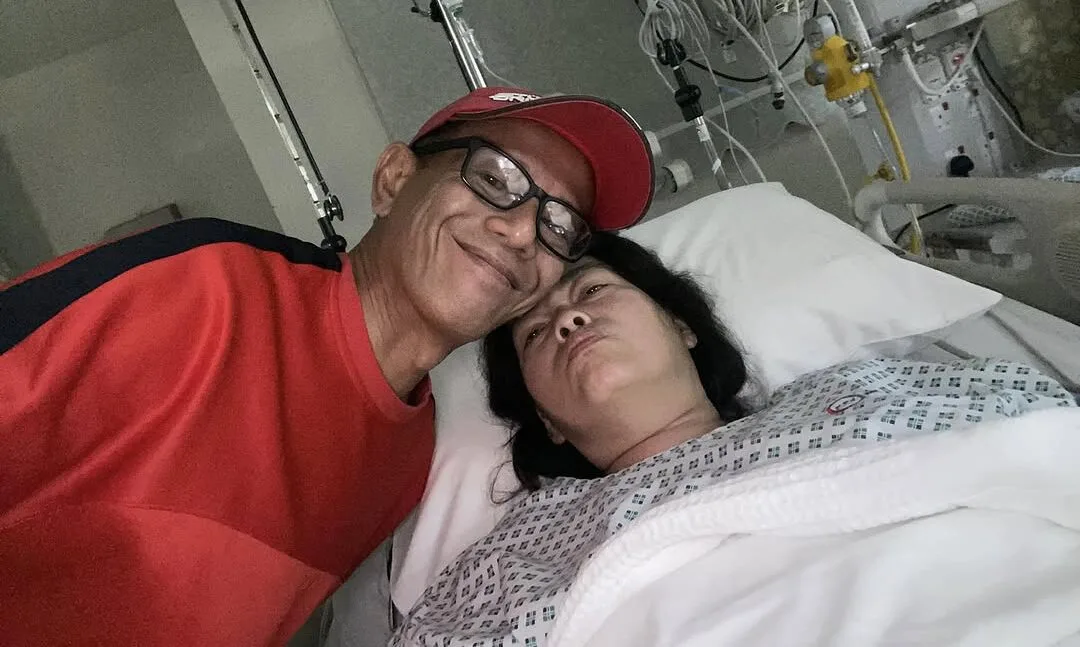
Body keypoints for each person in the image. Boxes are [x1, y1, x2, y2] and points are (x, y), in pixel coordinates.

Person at [0, 88, 654, 645]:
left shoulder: (405, 463)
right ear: (393, 180)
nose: (522, 231)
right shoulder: (204, 290)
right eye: (493, 179)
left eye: (560, 226)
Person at [392, 232, 1075, 647]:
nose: (568, 320)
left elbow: (1044, 439)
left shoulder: (858, 393)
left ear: (682, 325)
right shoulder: (517, 553)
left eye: (591, 291)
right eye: (536, 333)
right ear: (547, 420)